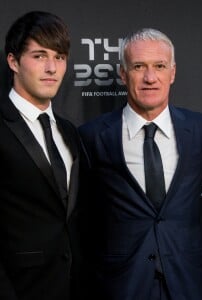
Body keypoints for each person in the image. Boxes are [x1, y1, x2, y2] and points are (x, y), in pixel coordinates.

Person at [78, 28, 202, 299]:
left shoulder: (201, 130)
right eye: (139, 66)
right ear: (123, 73)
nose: (150, 78)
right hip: (120, 284)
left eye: (159, 66)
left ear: (173, 73)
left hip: (188, 280)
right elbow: (81, 218)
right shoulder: (92, 135)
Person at [0, 11, 84, 300]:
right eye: (39, 56)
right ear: (13, 61)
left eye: (59, 57)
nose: (51, 68)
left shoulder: (70, 132)